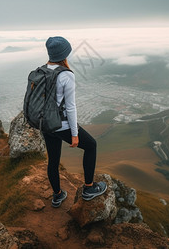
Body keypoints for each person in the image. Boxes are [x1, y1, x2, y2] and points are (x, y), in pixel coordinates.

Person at [42, 36, 107, 208]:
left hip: (46, 125)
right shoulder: (66, 75)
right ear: (64, 54)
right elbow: (70, 108)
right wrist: (74, 134)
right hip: (61, 125)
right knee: (91, 145)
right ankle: (88, 188)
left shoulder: (41, 71)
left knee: (53, 161)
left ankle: (57, 195)